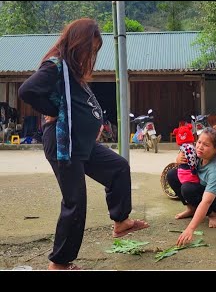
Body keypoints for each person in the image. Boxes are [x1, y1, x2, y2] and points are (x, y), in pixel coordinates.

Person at [18, 18, 149, 270]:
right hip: (63, 142)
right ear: (78, 43)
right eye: (90, 49)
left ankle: (120, 222)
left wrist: (93, 122)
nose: (91, 55)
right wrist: (54, 109)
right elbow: (27, 91)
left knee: (118, 168)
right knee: (75, 200)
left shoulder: (71, 70)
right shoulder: (55, 65)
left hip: (82, 142)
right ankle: (59, 263)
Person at [166, 125, 216, 246]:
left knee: (188, 189)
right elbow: (181, 163)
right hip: (202, 188)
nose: (199, 147)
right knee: (172, 174)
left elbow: (207, 201)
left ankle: (213, 214)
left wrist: (190, 229)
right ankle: (191, 209)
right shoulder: (196, 154)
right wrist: (179, 159)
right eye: (199, 142)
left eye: (206, 145)